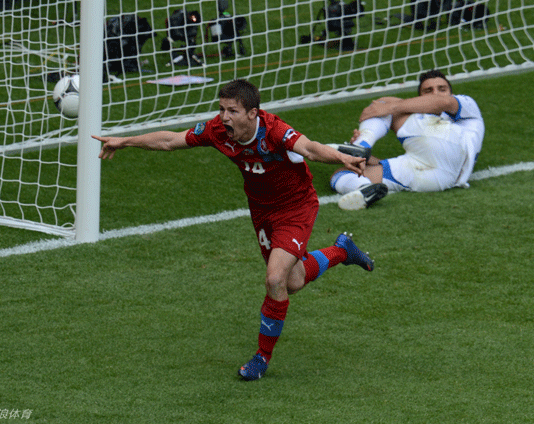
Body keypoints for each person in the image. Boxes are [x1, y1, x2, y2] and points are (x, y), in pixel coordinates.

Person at [93, 79, 376, 381]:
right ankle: (341, 250)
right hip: (262, 212)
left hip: (296, 207)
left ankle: (261, 358)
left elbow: (309, 148)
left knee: (275, 278)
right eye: (222, 109)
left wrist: (342, 157)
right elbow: (169, 141)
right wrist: (124, 141)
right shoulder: (217, 131)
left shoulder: (274, 130)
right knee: (291, 282)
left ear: (253, 113)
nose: (224, 117)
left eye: (233, 111)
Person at [329, 69, 485, 210]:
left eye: (442, 89)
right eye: (428, 91)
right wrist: (367, 158)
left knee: (384, 102)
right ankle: (364, 188)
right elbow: (431, 152)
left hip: (454, 150)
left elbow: (443, 102)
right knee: (341, 174)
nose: (436, 93)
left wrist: (389, 107)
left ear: (452, 93)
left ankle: (360, 145)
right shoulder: (424, 126)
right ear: (419, 98)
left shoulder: (467, 105)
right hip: (440, 179)